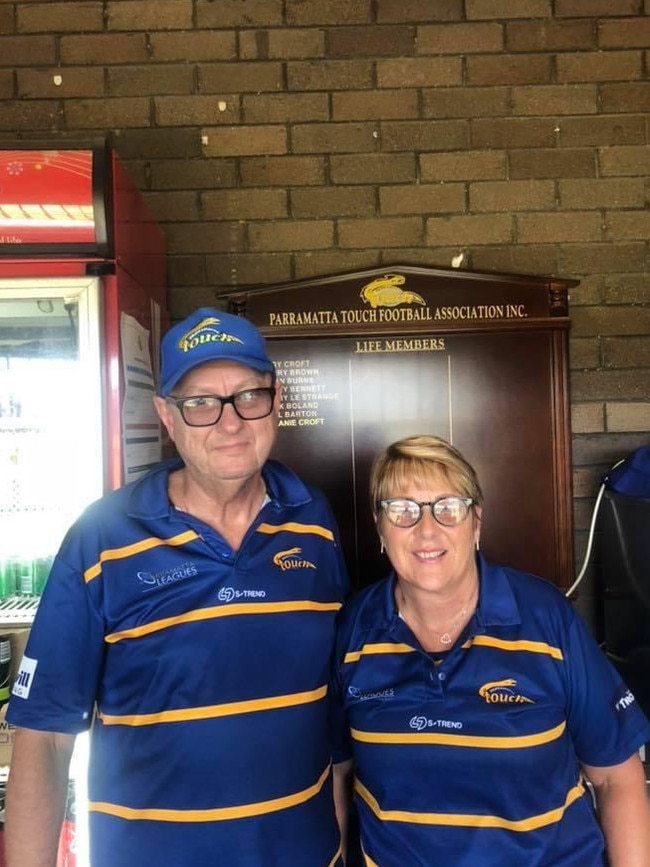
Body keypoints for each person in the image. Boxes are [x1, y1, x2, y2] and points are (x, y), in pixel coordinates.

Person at [5, 308, 350, 867]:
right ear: (167, 416)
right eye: (200, 403)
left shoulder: (314, 521)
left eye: (247, 396)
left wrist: (334, 834)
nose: (230, 422)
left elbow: (326, 697)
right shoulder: (101, 541)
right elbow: (43, 737)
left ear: (276, 399)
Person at [333, 434, 650, 867]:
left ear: (476, 521)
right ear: (380, 527)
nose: (427, 529)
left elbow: (617, 777)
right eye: (402, 510)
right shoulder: (354, 627)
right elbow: (335, 776)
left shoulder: (545, 617)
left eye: (449, 508)